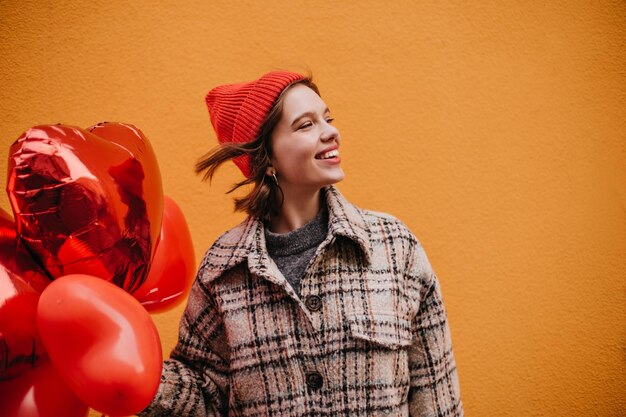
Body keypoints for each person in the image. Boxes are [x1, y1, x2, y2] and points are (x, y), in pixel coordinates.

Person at [138, 70, 463, 417]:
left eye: (327, 118)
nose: (331, 132)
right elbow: (203, 399)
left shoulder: (396, 248)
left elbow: (436, 397)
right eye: (305, 125)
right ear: (268, 160)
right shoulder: (223, 270)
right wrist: (136, 375)